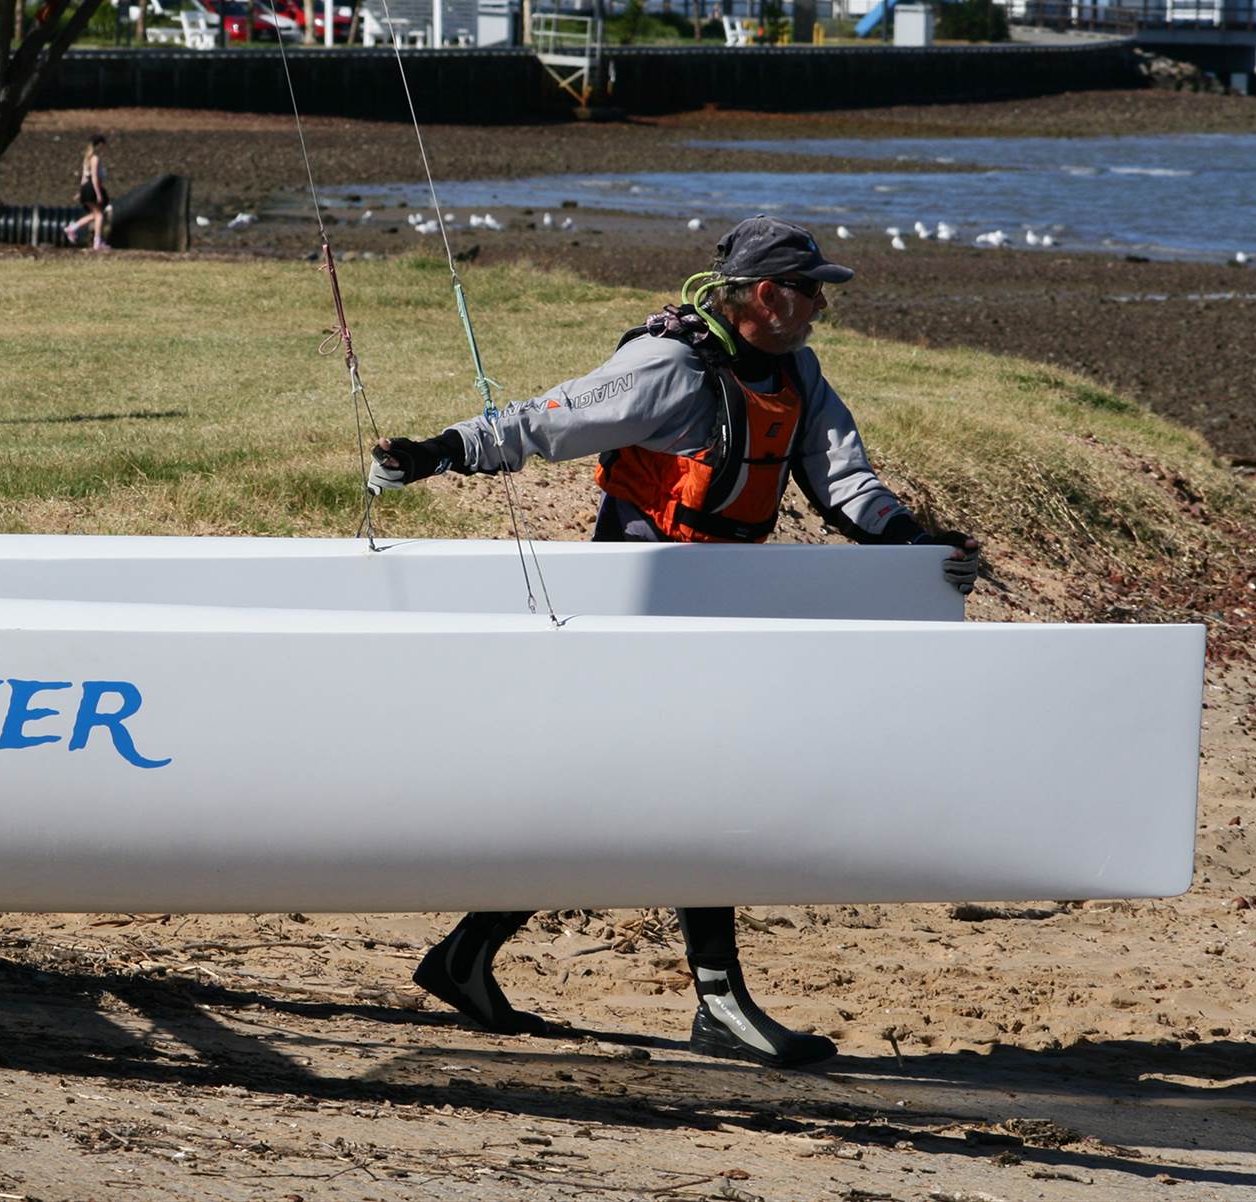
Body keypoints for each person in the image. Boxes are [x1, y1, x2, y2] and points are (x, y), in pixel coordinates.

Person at [367, 215, 982, 1069]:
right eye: (812, 294)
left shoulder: (796, 371)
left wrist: (914, 544)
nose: (821, 311)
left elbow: (845, 481)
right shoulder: (667, 365)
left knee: (621, 800)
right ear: (767, 294)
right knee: (699, 790)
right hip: (635, 615)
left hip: (715, 612)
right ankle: (716, 1004)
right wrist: (437, 453)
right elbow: (546, 422)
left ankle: (466, 955)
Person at [65, 133, 111, 251]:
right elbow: (94, 177)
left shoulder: (87, 158)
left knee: (95, 215)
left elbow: (83, 178)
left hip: (86, 187)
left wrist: (81, 192)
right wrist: (98, 194)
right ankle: (97, 243)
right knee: (100, 215)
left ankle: (72, 228)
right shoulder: (95, 158)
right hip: (92, 187)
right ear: (99, 145)